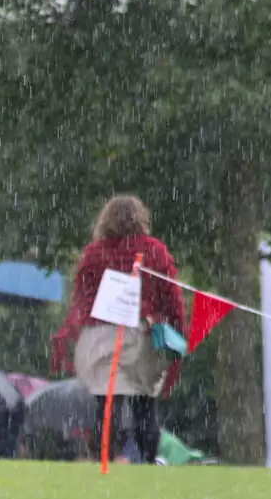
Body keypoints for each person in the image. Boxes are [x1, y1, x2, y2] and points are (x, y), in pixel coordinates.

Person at [51, 195, 185, 464]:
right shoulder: (155, 251)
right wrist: (177, 331)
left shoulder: (93, 253)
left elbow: (82, 297)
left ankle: (105, 460)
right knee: (144, 405)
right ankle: (147, 462)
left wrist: (75, 334)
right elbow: (173, 299)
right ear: (141, 218)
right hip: (142, 334)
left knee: (106, 405)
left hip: (100, 334)